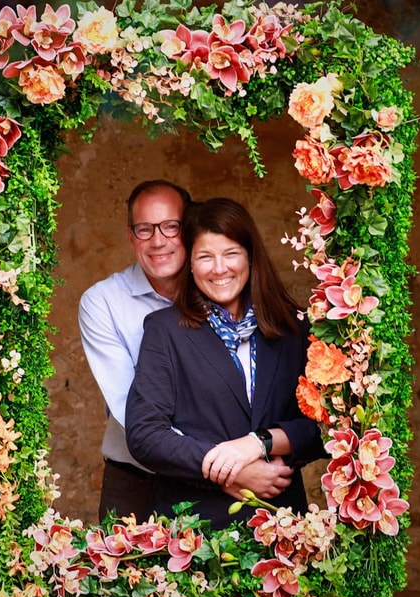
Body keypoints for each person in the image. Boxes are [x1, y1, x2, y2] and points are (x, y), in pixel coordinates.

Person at [125, 198, 326, 529]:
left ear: (250, 256)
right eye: (205, 257)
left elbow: (322, 428)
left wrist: (258, 442)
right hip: (194, 532)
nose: (219, 268)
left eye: (230, 253)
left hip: (283, 529)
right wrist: (228, 469)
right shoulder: (164, 330)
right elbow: (145, 434)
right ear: (190, 263)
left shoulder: (293, 327)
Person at [79, 180, 191, 523]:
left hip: (220, 477)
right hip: (136, 482)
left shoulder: (218, 288)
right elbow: (131, 408)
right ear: (131, 238)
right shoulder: (102, 302)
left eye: (171, 226)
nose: (158, 241)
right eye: (145, 229)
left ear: (190, 229)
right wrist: (216, 460)